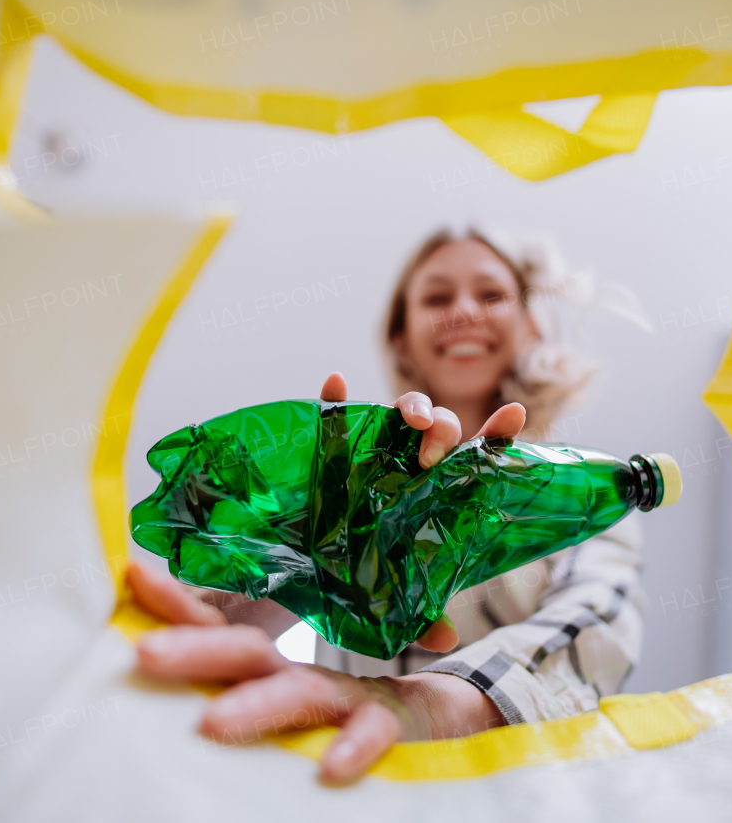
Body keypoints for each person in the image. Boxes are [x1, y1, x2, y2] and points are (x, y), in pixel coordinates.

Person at [125, 227, 646, 783]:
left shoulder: (582, 505)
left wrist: (426, 706)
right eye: (437, 297)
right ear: (402, 338)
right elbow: (234, 618)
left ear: (531, 327)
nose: (464, 310)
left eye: (492, 294)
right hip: (354, 787)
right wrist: (302, 559)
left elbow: (595, 637)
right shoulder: (343, 478)